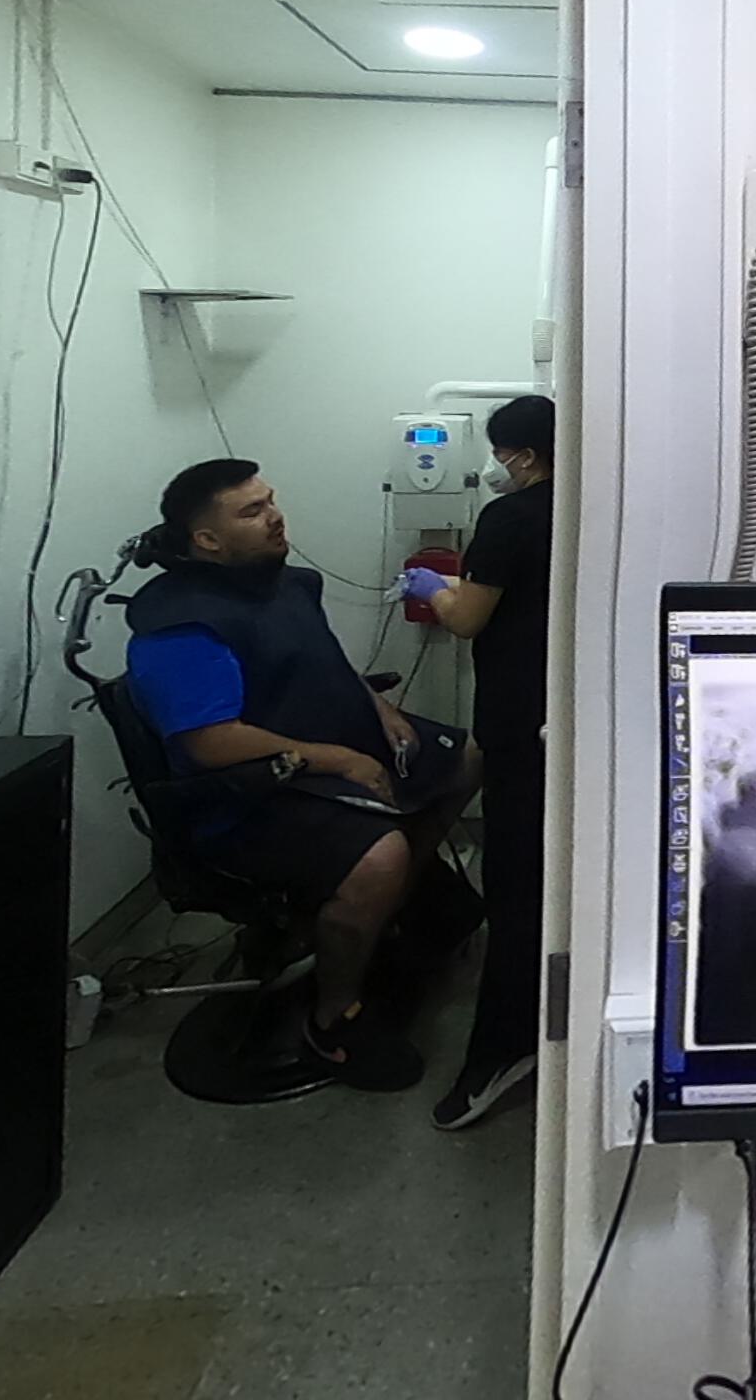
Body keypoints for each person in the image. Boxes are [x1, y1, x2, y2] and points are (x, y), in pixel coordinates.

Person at [124, 458, 483, 1091]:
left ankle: (387, 906)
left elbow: (324, 665)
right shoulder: (183, 625)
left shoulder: (284, 585)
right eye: (251, 511)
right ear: (206, 539)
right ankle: (332, 1017)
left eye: (270, 501)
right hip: (249, 794)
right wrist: (342, 759)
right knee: (378, 858)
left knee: (472, 756)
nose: (274, 516)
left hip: (325, 747)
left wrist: (380, 710)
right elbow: (210, 741)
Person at [399, 395, 555, 1130]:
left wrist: (434, 590)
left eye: (501, 455)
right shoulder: (594, 507)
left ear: (521, 455)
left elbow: (469, 619)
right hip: (571, 721)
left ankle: (503, 1050)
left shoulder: (509, 518)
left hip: (520, 726)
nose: (498, 467)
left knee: (516, 889)